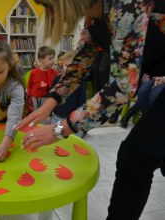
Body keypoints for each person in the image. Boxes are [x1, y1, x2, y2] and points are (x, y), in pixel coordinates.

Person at [14, 0, 165, 219]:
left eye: (48, 6)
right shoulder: (95, 17)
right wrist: (49, 104)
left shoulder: (124, 6)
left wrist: (59, 130)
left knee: (136, 158)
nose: (49, 16)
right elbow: (78, 65)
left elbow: (121, 88)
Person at [49, 50, 87, 138]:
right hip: (57, 116)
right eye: (66, 65)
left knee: (76, 137)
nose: (69, 68)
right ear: (62, 64)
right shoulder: (56, 79)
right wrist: (49, 113)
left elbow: (82, 103)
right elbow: (51, 98)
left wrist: (77, 120)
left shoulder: (80, 82)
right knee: (54, 136)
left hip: (71, 118)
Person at [27, 45, 58, 112]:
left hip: (45, 98)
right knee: (34, 114)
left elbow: (51, 86)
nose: (53, 61)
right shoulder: (34, 72)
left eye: (53, 58)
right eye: (50, 59)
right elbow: (29, 86)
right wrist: (29, 98)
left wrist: (50, 71)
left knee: (43, 115)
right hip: (34, 98)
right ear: (41, 60)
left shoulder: (54, 73)